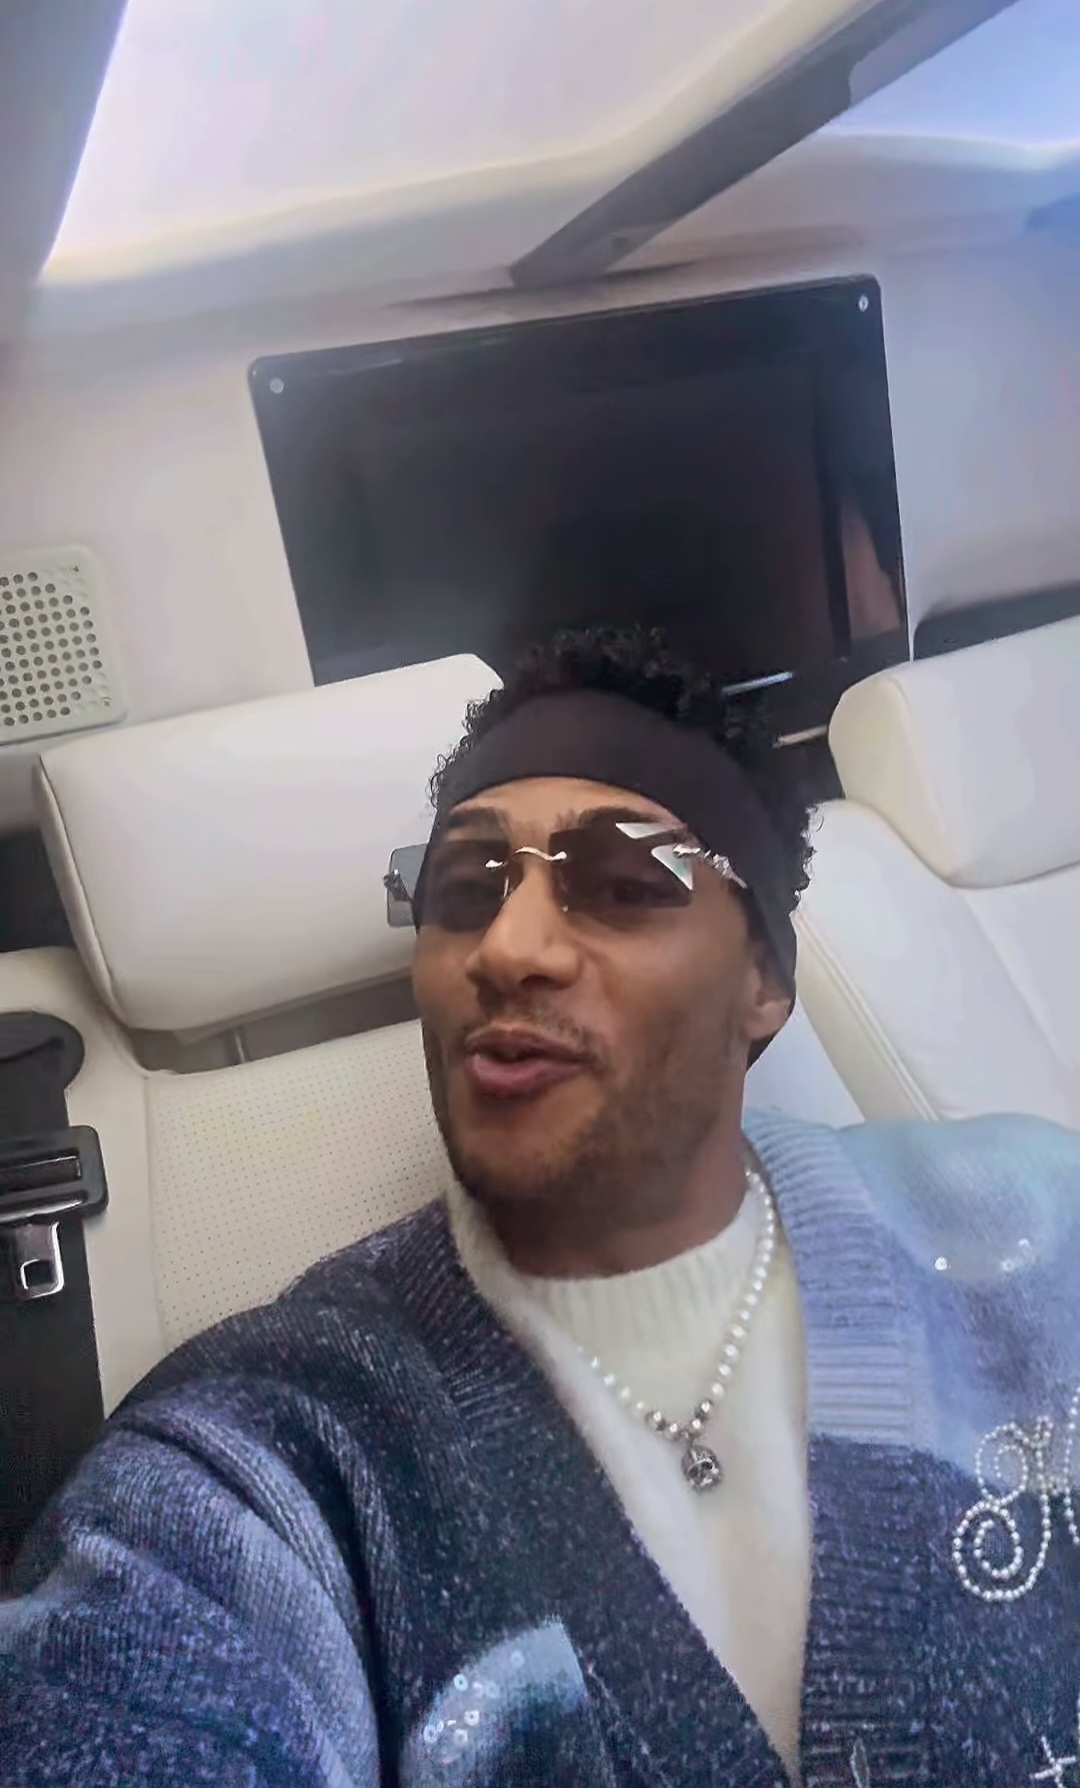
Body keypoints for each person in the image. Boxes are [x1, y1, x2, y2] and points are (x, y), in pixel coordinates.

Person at [3, 626, 1080, 1788]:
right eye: (465, 892)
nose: (507, 948)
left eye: (623, 885)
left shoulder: (1031, 1218)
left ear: (764, 980)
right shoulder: (270, 1445)